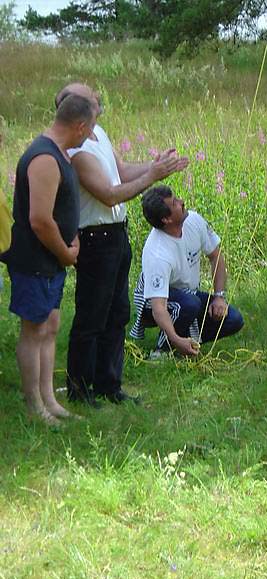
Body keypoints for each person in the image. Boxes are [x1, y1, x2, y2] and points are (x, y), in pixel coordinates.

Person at [54, 83, 188, 407]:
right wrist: (153, 176)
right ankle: (80, 390)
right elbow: (110, 194)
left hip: (116, 234)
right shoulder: (77, 151)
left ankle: (109, 384)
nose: (97, 98)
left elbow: (122, 171)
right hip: (95, 239)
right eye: (90, 97)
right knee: (92, 316)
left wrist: (155, 166)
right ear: (76, 108)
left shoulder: (98, 134)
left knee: (117, 313)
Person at [0, 94, 96, 425]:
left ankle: (49, 400)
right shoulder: (44, 157)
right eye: (90, 129)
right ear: (79, 126)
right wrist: (65, 253)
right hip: (35, 260)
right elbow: (40, 220)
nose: (91, 135)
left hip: (52, 260)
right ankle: (34, 406)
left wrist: (72, 239)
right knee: (34, 329)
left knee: (50, 326)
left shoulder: (60, 154)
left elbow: (60, 210)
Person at [130, 185, 244, 356]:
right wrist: (176, 340)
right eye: (175, 203)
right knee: (190, 304)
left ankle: (188, 342)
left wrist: (219, 297)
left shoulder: (194, 221)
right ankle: (163, 350)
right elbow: (158, 307)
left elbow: (215, 256)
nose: (182, 201)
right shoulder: (157, 253)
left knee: (234, 319)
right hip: (153, 301)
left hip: (187, 294)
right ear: (166, 219)